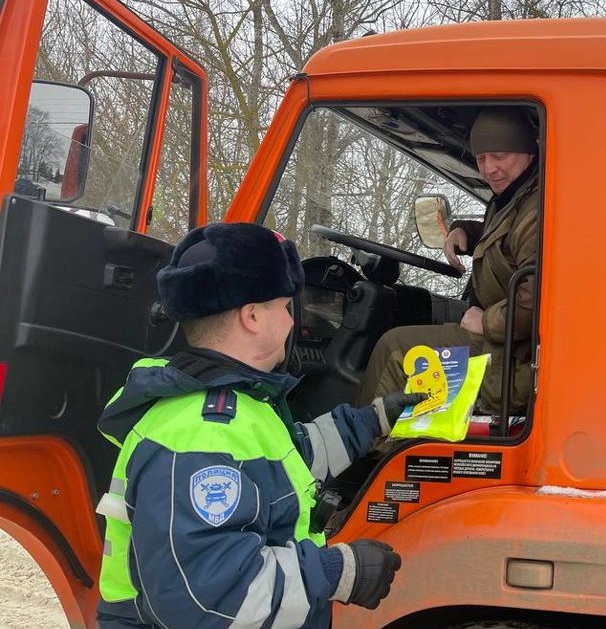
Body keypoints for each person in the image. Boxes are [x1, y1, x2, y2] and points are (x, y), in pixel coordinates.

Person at [95, 223, 418, 628]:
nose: (290, 322)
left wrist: (374, 419)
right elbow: (210, 598)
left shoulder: (238, 405)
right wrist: (338, 572)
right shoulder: (201, 433)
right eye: (284, 307)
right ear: (251, 316)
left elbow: (290, 460)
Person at [358, 106, 539, 414]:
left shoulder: (537, 209)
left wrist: (485, 322)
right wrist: (465, 232)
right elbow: (507, 238)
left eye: (500, 156)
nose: (489, 168)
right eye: (481, 158)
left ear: (528, 153)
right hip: (504, 341)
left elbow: (534, 297)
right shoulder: (517, 196)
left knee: (394, 348)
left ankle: (365, 452)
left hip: (512, 353)